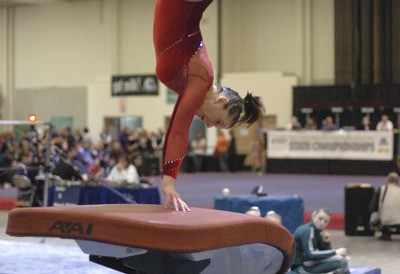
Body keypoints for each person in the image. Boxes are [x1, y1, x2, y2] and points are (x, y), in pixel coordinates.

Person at [153, 0, 265, 211]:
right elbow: (177, 132)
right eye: (218, 121)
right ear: (220, 100)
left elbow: (176, 126)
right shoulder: (200, 82)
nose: (210, 125)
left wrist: (168, 179)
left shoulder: (194, 85)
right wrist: (169, 183)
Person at [291, 208, 349, 274]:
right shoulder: (307, 230)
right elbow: (311, 254)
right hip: (301, 267)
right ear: (313, 215)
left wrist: (327, 242)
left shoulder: (319, 232)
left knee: (342, 261)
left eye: (326, 221)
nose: (322, 223)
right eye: (320, 218)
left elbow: (324, 253)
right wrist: (335, 252)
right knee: (339, 265)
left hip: (309, 262)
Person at [368, 172, 400, 240]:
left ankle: (385, 233)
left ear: (387, 180)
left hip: (385, 223)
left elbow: (372, 207)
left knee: (374, 214)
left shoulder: (381, 189)